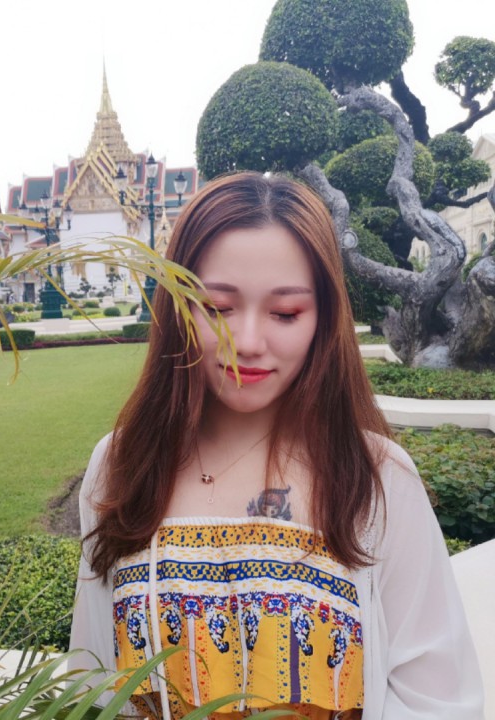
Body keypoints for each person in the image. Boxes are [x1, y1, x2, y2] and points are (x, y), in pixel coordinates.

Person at [68, 172, 484, 720]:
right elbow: (94, 683)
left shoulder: (376, 479)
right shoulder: (121, 464)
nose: (247, 343)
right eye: (217, 306)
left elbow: (438, 701)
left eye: (286, 313)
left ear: (324, 319)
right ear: (177, 311)